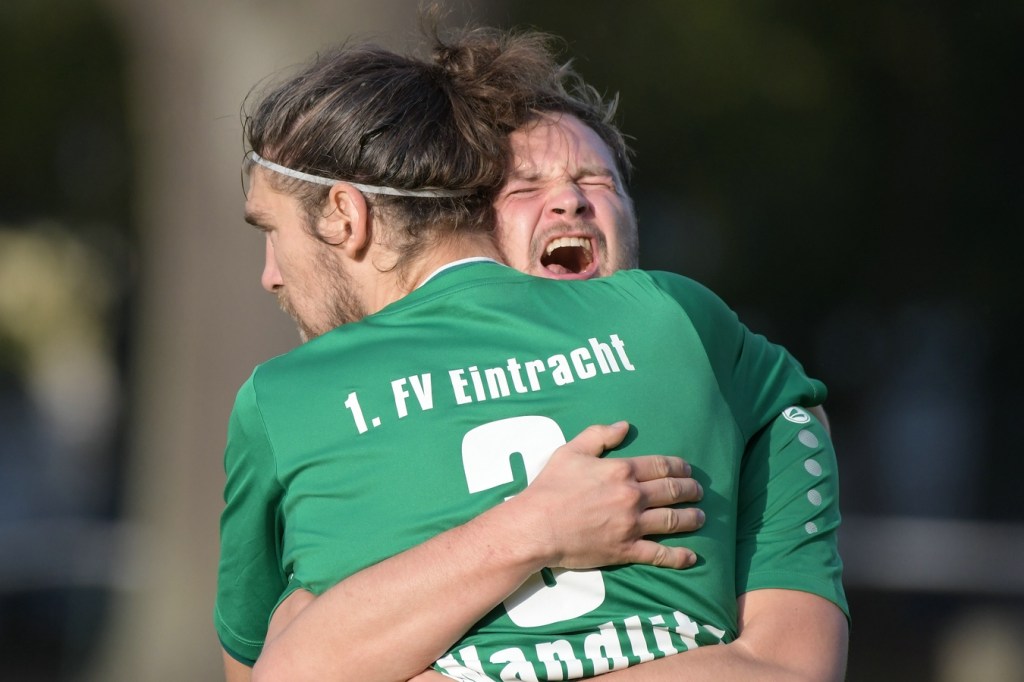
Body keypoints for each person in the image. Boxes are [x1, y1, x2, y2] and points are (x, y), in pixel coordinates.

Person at [215, 25, 848, 682]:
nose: (270, 276)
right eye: (524, 187)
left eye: (595, 179)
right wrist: (534, 528)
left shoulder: (285, 400)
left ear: (347, 216)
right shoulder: (683, 318)